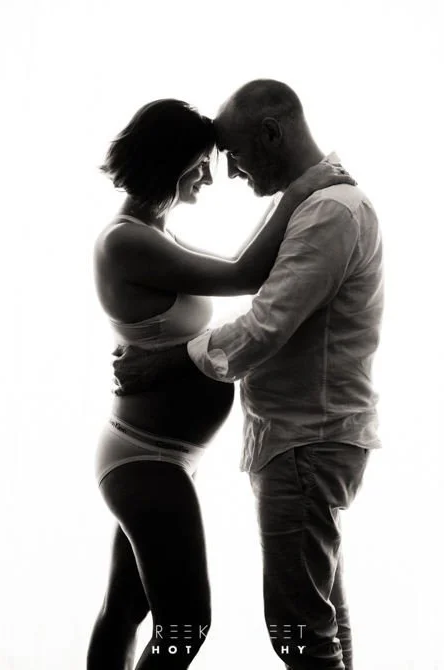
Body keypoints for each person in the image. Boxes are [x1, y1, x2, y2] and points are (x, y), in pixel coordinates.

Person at [87, 98, 353, 670]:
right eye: (201, 165)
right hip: (145, 458)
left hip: (160, 458)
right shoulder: (127, 241)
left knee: (124, 609)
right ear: (168, 164)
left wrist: (293, 197)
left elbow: (242, 266)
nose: (209, 177)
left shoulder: (153, 233)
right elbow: (244, 274)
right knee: (187, 623)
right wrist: (299, 190)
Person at [145, 80, 384, 670]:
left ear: (272, 133)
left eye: (233, 154)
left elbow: (265, 327)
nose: (230, 172)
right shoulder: (319, 203)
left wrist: (167, 361)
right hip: (308, 439)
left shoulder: (329, 211)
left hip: (306, 441)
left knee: (297, 628)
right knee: (320, 618)